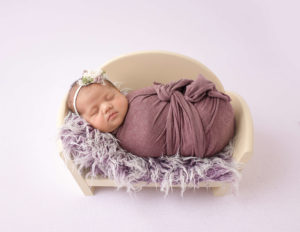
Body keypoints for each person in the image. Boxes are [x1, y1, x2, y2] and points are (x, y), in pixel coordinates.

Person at [67, 69, 235, 158]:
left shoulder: (136, 96)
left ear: (119, 92)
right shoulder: (122, 146)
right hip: (202, 140)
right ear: (86, 122)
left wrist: (184, 94)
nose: (106, 108)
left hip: (201, 110)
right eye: (95, 111)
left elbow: (166, 90)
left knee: (204, 108)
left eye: (110, 97)